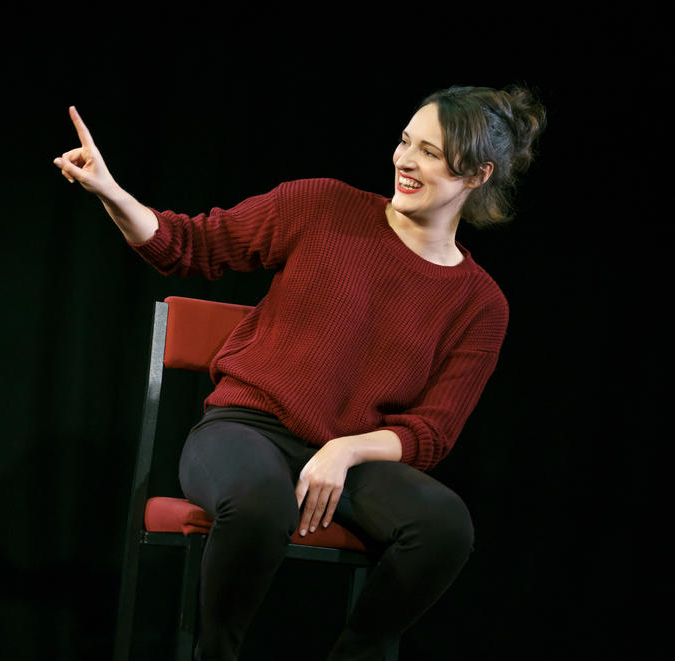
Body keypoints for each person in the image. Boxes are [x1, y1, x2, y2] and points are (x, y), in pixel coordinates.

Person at [54, 85, 545, 661]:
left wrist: (345, 451)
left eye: (432, 153)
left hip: (348, 464)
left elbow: (430, 433)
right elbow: (190, 246)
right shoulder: (323, 206)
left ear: (478, 175)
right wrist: (111, 191)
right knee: (262, 506)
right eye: (406, 142)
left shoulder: (481, 303)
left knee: (445, 527)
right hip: (245, 431)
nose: (405, 161)